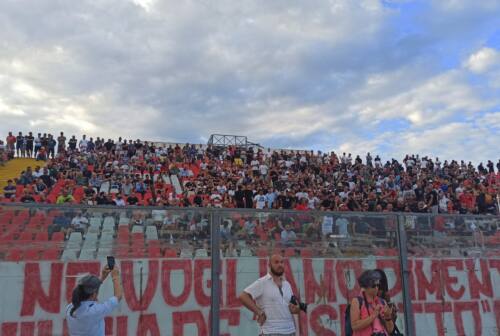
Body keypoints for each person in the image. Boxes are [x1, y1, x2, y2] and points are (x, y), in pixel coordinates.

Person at [239, 254, 300, 336]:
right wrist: (259, 312)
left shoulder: (287, 284)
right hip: (270, 331)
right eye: (276, 262)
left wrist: (296, 309)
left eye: (282, 262)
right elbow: (243, 296)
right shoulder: (262, 282)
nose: (280, 265)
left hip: (290, 330)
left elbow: (294, 307)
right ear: (269, 265)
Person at [66, 265, 123, 336]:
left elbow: (91, 293)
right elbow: (118, 296)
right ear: (93, 295)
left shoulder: (69, 308)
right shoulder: (94, 311)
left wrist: (102, 277)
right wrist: (115, 276)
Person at [350, 270, 394, 336]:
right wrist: (374, 315)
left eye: (378, 285)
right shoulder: (357, 301)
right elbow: (354, 326)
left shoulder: (382, 302)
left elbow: (390, 330)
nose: (376, 288)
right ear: (365, 286)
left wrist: (388, 317)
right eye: (373, 285)